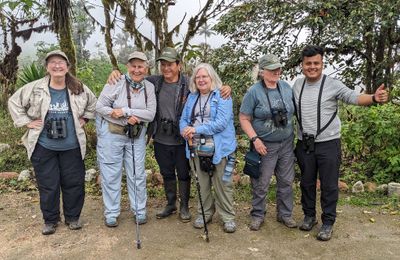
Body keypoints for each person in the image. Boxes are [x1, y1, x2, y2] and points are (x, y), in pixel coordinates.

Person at [107, 47, 231, 223]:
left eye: (170, 64)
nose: (166, 68)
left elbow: (209, 88)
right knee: (166, 172)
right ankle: (171, 203)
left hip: (182, 137)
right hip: (160, 135)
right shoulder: (154, 82)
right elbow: (133, 76)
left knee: (183, 173)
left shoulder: (189, 83)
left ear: (179, 65)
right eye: (163, 65)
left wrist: (226, 87)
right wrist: (115, 73)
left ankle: (184, 207)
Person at [293, 45, 389, 241]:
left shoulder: (333, 84)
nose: (312, 67)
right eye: (308, 63)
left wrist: (374, 98)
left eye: (316, 63)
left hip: (328, 143)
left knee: (329, 185)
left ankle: (328, 222)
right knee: (306, 183)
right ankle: (309, 216)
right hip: (304, 144)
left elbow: (353, 97)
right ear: (302, 65)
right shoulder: (297, 85)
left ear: (322, 64)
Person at [8, 50, 97, 235]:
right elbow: (14, 102)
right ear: (47, 67)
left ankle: (72, 218)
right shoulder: (35, 88)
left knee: (73, 183)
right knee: (48, 185)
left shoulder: (78, 87)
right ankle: (50, 220)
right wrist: (26, 122)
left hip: (72, 146)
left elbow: (93, 104)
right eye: (52, 62)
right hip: (44, 146)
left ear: (68, 66)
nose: (57, 66)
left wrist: (85, 119)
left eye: (61, 62)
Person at [96, 51, 156, 227]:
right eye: (133, 66)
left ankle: (139, 210)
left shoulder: (149, 87)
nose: (137, 70)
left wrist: (126, 112)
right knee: (111, 174)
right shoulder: (116, 81)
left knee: (137, 173)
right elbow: (100, 106)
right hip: (112, 134)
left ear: (146, 68)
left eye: (140, 66)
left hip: (135, 136)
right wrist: (117, 115)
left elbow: (150, 114)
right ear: (128, 67)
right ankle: (112, 212)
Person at [239, 54, 297, 231]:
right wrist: (255, 139)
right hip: (264, 145)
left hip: (286, 143)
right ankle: (258, 214)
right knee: (261, 182)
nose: (276, 72)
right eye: (272, 69)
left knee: (286, 181)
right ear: (263, 71)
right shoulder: (254, 92)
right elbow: (243, 118)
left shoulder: (286, 87)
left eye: (278, 68)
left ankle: (285, 214)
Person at [180, 63, 237, 233]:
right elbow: (184, 119)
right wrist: (185, 130)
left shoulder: (223, 95)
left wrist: (196, 129)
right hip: (196, 146)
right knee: (202, 182)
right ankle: (204, 213)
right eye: (198, 77)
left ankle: (228, 217)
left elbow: (220, 123)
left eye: (204, 76)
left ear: (212, 78)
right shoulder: (191, 97)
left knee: (223, 183)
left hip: (221, 147)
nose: (201, 80)